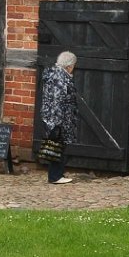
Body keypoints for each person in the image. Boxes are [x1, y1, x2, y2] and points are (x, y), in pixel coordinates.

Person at [39, 51, 80, 184]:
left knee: (57, 147)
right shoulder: (60, 79)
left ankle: (57, 174)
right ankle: (55, 176)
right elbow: (57, 101)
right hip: (57, 119)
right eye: (73, 65)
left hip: (54, 117)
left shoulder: (55, 75)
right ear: (69, 65)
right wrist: (56, 123)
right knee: (57, 147)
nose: (74, 67)